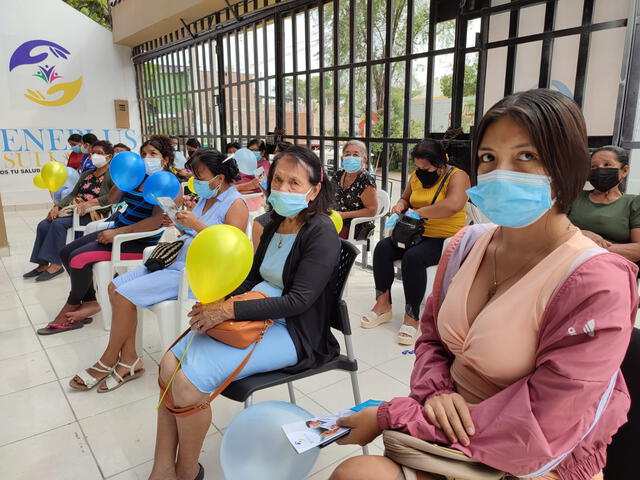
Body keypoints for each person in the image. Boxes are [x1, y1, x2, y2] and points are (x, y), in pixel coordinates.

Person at [329, 89, 637, 480]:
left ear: (568, 166)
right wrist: (437, 391)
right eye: (489, 158)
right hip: (449, 425)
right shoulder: (467, 245)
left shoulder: (596, 282)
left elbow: (542, 427)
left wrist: (394, 414)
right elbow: (432, 339)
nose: (500, 172)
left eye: (526, 156)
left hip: (536, 456)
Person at [148, 146, 340, 480]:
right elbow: (254, 276)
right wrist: (217, 302)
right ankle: (162, 467)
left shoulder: (320, 231)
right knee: (168, 365)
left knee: (189, 384)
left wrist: (228, 309)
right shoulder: (276, 220)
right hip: (253, 310)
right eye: (278, 179)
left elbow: (298, 301)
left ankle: (187, 470)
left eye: (295, 183)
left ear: (315, 189)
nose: (282, 188)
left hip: (292, 330)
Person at [69, 149, 249, 392]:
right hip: (174, 261)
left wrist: (196, 224)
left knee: (123, 295)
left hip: (195, 274)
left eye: (201, 176)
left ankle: (109, 359)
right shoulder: (207, 198)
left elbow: (231, 250)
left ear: (220, 176)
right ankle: (129, 359)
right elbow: (193, 234)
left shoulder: (236, 204)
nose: (196, 181)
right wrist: (179, 223)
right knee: (115, 287)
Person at [36, 138, 169, 335]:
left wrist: (117, 233)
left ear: (164, 160)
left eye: (153, 154)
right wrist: (122, 181)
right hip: (118, 229)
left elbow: (155, 221)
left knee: (78, 258)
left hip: (136, 240)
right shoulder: (136, 177)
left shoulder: (164, 182)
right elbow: (112, 199)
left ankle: (71, 306)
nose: (146, 158)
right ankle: (90, 301)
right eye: (143, 154)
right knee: (65, 252)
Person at [362, 139, 469, 344]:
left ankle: (411, 318)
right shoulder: (416, 177)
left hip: (444, 237)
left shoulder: (458, 176)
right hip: (414, 233)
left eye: (425, 167)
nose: (420, 171)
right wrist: (400, 206)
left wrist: (419, 213)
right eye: (417, 166)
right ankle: (382, 305)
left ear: (440, 163)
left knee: (413, 258)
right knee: (383, 248)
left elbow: (453, 205)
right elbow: (405, 198)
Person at [24, 141, 116, 282]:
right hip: (75, 209)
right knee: (44, 224)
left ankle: (56, 264)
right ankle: (42, 264)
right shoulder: (87, 174)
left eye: (99, 153)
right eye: (93, 153)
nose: (94, 156)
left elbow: (111, 197)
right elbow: (72, 194)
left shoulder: (113, 176)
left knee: (58, 224)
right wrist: (57, 206)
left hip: (93, 212)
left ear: (109, 157)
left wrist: (89, 204)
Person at [569, 146, 640, 263]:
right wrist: (581, 233)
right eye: (594, 167)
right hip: (569, 265)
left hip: (613, 268)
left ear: (624, 171)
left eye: (607, 165)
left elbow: (638, 250)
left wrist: (588, 246)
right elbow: (553, 232)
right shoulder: (574, 197)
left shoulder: (634, 203)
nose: (599, 170)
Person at [332, 140, 378, 240]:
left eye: (356, 155)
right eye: (347, 154)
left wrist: (344, 215)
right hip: (334, 219)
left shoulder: (365, 180)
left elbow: (372, 211)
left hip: (355, 224)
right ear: (342, 158)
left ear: (364, 160)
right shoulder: (338, 174)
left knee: (324, 236)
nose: (351, 158)